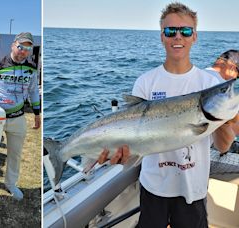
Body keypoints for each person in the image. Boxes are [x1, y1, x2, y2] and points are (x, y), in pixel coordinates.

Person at [99, 3, 237, 228]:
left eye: (186, 31)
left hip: (193, 190)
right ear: (162, 36)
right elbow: (133, 142)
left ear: (195, 37)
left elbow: (223, 147)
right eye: (171, 31)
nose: (178, 36)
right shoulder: (146, 82)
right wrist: (122, 153)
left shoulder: (210, 83)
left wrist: (222, 118)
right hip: (154, 187)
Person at [0, 32, 41, 200]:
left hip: (18, 117)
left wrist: (37, 113)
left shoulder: (32, 67)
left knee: (15, 153)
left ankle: (11, 183)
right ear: (13, 45)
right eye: (20, 47)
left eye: (27, 48)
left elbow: (33, 91)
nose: (23, 51)